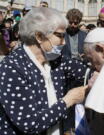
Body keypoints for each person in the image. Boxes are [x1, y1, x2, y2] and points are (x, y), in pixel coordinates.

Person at [0, 7, 91, 135]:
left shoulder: (56, 60)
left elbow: (86, 72)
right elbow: (30, 123)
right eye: (60, 36)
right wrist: (68, 100)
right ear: (39, 36)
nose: (64, 42)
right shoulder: (12, 67)